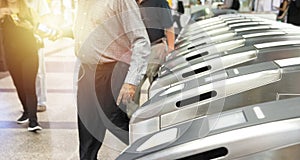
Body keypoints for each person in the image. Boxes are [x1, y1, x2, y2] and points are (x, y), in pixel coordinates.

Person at [73, 0, 151, 159]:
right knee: (87, 125)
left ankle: (155, 151)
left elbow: (140, 40)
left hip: (112, 70)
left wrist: (131, 81)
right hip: (86, 71)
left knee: (116, 121)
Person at [0, 0, 42, 131]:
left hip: (29, 52)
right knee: (19, 85)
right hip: (12, 54)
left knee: (29, 86)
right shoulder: (1, 10)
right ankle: (26, 111)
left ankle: (33, 121)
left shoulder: (27, 9)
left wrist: (30, 26)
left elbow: (38, 28)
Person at [134, 0, 175, 106]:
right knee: (133, 86)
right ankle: (132, 117)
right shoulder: (131, 4)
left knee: (157, 86)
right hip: (137, 52)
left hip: (156, 48)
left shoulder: (159, 2)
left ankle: (160, 112)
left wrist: (171, 48)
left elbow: (169, 26)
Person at [26, 0, 52, 112]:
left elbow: (45, 21)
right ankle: (28, 101)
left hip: (36, 39)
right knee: (26, 74)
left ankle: (41, 101)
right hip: (20, 41)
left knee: (39, 72)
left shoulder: (39, 2)